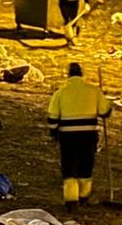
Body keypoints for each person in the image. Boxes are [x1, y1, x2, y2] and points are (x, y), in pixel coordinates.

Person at [47, 62, 114, 210]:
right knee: (86, 164)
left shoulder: (60, 93)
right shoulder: (94, 91)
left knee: (69, 165)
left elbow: (52, 116)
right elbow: (105, 111)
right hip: (88, 134)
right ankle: (84, 196)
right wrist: (105, 107)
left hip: (67, 135)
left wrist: (53, 132)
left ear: (68, 75)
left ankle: (71, 200)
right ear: (81, 74)